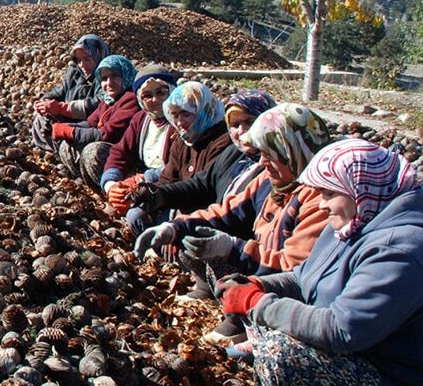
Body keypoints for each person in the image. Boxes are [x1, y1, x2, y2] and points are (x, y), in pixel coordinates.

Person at [218, 139, 423, 386]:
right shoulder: (355, 222)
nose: (322, 204)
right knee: (273, 334)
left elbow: (343, 329)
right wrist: (260, 285)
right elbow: (305, 277)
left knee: (280, 351)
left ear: (360, 188)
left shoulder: (400, 248)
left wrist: (256, 303)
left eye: (329, 194)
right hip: (368, 364)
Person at [136, 103, 331, 345]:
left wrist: (233, 248)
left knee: (224, 252)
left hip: (290, 295)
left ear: (293, 152)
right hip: (262, 270)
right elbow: (227, 212)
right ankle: (240, 317)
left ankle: (252, 325)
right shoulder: (268, 181)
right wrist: (175, 227)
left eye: (271, 154)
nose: (261, 162)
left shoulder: (321, 200)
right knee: (201, 238)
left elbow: (294, 268)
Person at [128, 90, 276, 220]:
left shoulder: (275, 167)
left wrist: (189, 224)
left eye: (250, 122)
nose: (242, 131)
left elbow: (240, 217)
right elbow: (202, 185)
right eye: (235, 125)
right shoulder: (235, 154)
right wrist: (158, 195)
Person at [99, 64, 178, 217]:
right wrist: (112, 185)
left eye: (161, 92)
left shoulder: (180, 121)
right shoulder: (141, 119)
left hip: (168, 182)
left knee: (137, 216)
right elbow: (121, 152)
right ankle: (119, 201)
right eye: (147, 95)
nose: (155, 99)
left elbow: (177, 166)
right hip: (141, 176)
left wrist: (141, 181)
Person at [52, 55, 140, 184]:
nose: (109, 82)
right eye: (104, 78)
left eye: (115, 76)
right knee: (67, 145)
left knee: (92, 151)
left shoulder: (131, 99)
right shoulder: (108, 100)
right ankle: (90, 184)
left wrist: (71, 132)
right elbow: (90, 123)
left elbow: (107, 134)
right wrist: (64, 127)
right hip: (110, 148)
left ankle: (113, 187)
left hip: (124, 158)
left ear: (126, 75)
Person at [31, 34, 110, 152]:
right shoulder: (75, 72)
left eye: (87, 59)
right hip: (71, 118)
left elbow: (99, 102)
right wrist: (45, 101)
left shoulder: (106, 76)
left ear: (98, 57)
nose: (82, 65)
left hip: (89, 125)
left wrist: (62, 108)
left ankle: (67, 151)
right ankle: (53, 151)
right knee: (41, 119)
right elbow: (61, 91)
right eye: (79, 60)